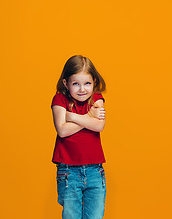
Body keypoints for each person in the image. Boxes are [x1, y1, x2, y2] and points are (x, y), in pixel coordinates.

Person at [51, 55, 107, 219]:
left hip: (95, 171)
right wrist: (90, 117)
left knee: (95, 216)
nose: (82, 89)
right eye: (76, 83)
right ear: (66, 84)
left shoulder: (96, 98)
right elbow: (62, 130)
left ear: (94, 82)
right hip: (69, 172)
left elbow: (99, 125)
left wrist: (71, 116)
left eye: (87, 83)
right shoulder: (59, 99)